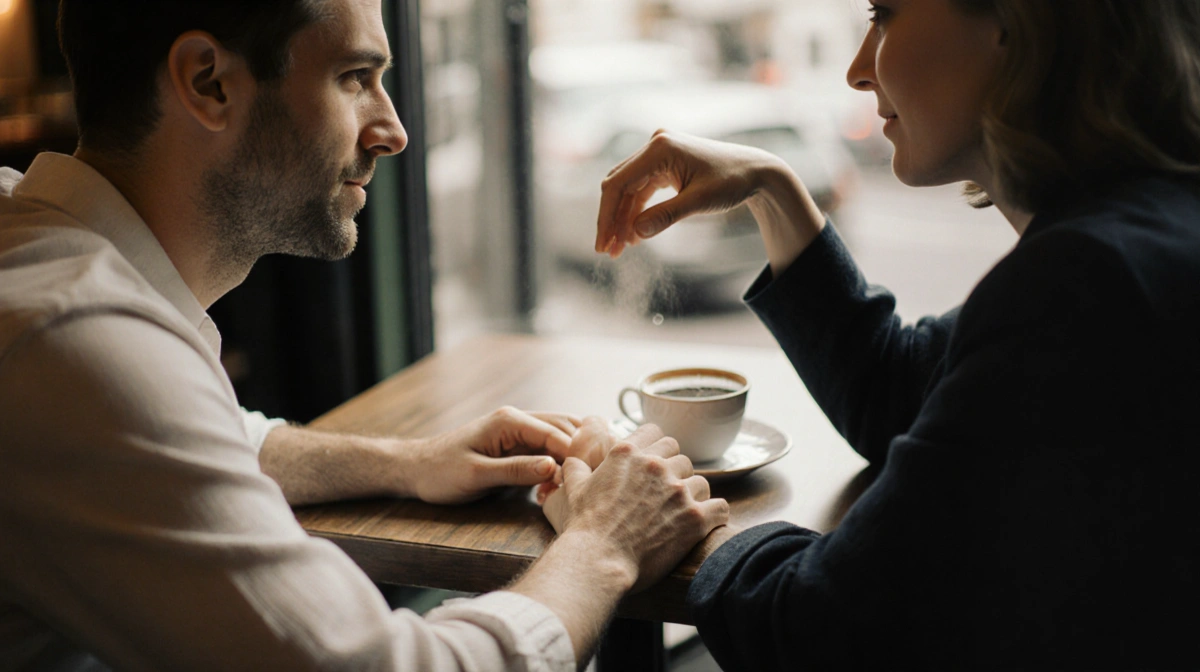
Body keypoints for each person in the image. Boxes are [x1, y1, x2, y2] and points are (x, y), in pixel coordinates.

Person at [0, 0, 729, 670]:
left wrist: (405, 462)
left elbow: (212, 438)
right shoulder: (78, 340)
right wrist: (603, 545)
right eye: (354, 77)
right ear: (209, 83)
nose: (394, 130)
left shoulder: (37, 248)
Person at [594, 0, 1200, 668]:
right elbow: (901, 393)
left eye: (883, 15)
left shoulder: (1090, 281)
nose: (858, 70)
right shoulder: (1148, 235)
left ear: (1018, 22)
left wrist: (661, 524)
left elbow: (827, 624)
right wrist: (772, 187)